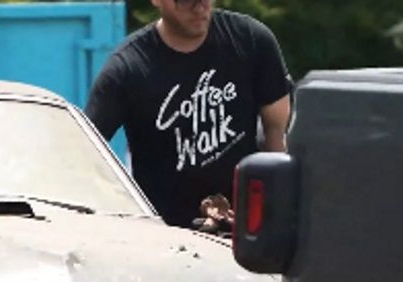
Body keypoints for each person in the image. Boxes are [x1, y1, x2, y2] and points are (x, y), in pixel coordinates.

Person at [84, 0, 291, 229]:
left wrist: (276, 213)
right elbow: (85, 152)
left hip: (245, 229)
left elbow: (276, 132)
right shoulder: (128, 67)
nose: (199, 6)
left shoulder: (251, 40)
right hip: (169, 235)